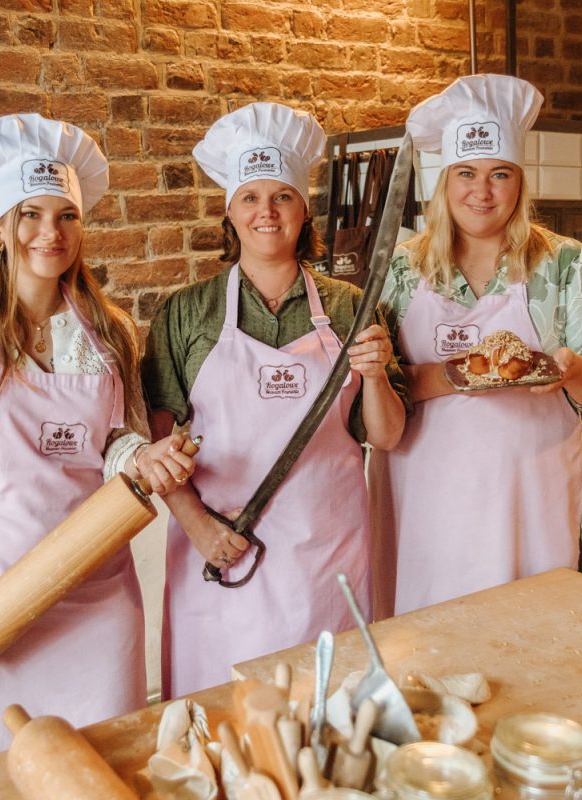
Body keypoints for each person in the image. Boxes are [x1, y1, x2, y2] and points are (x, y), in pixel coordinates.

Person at [0, 114, 194, 775]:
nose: (49, 233)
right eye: (29, 213)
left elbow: (115, 440)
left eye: (66, 216)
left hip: (95, 610)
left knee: (97, 775)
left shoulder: (109, 333)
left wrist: (140, 460)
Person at [142, 102, 408, 698]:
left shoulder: (350, 308)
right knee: (224, 721)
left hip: (326, 554)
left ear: (303, 208)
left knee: (327, 711)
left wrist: (378, 374)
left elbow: (386, 437)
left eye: (282, 196)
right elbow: (159, 440)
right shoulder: (186, 313)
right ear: (229, 211)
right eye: (250, 197)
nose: (267, 212)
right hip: (220, 552)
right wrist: (201, 529)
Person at [372, 75, 582, 618]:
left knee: (534, 636)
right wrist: (457, 375)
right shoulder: (401, 267)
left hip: (530, 499)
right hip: (425, 498)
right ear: (445, 181)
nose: (481, 191)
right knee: (429, 643)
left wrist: (571, 368)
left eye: (500, 175)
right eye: (466, 173)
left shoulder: (563, 264)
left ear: (519, 182)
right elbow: (379, 393)